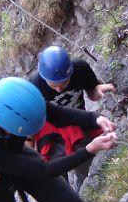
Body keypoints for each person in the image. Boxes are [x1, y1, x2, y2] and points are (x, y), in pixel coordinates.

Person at [30, 45, 116, 190]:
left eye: (63, 83)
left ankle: (85, 192)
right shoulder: (34, 86)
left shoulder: (80, 68)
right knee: (57, 177)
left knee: (87, 166)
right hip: (51, 133)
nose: (59, 89)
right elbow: (32, 122)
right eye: (53, 85)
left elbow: (92, 93)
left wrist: (98, 90)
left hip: (79, 121)